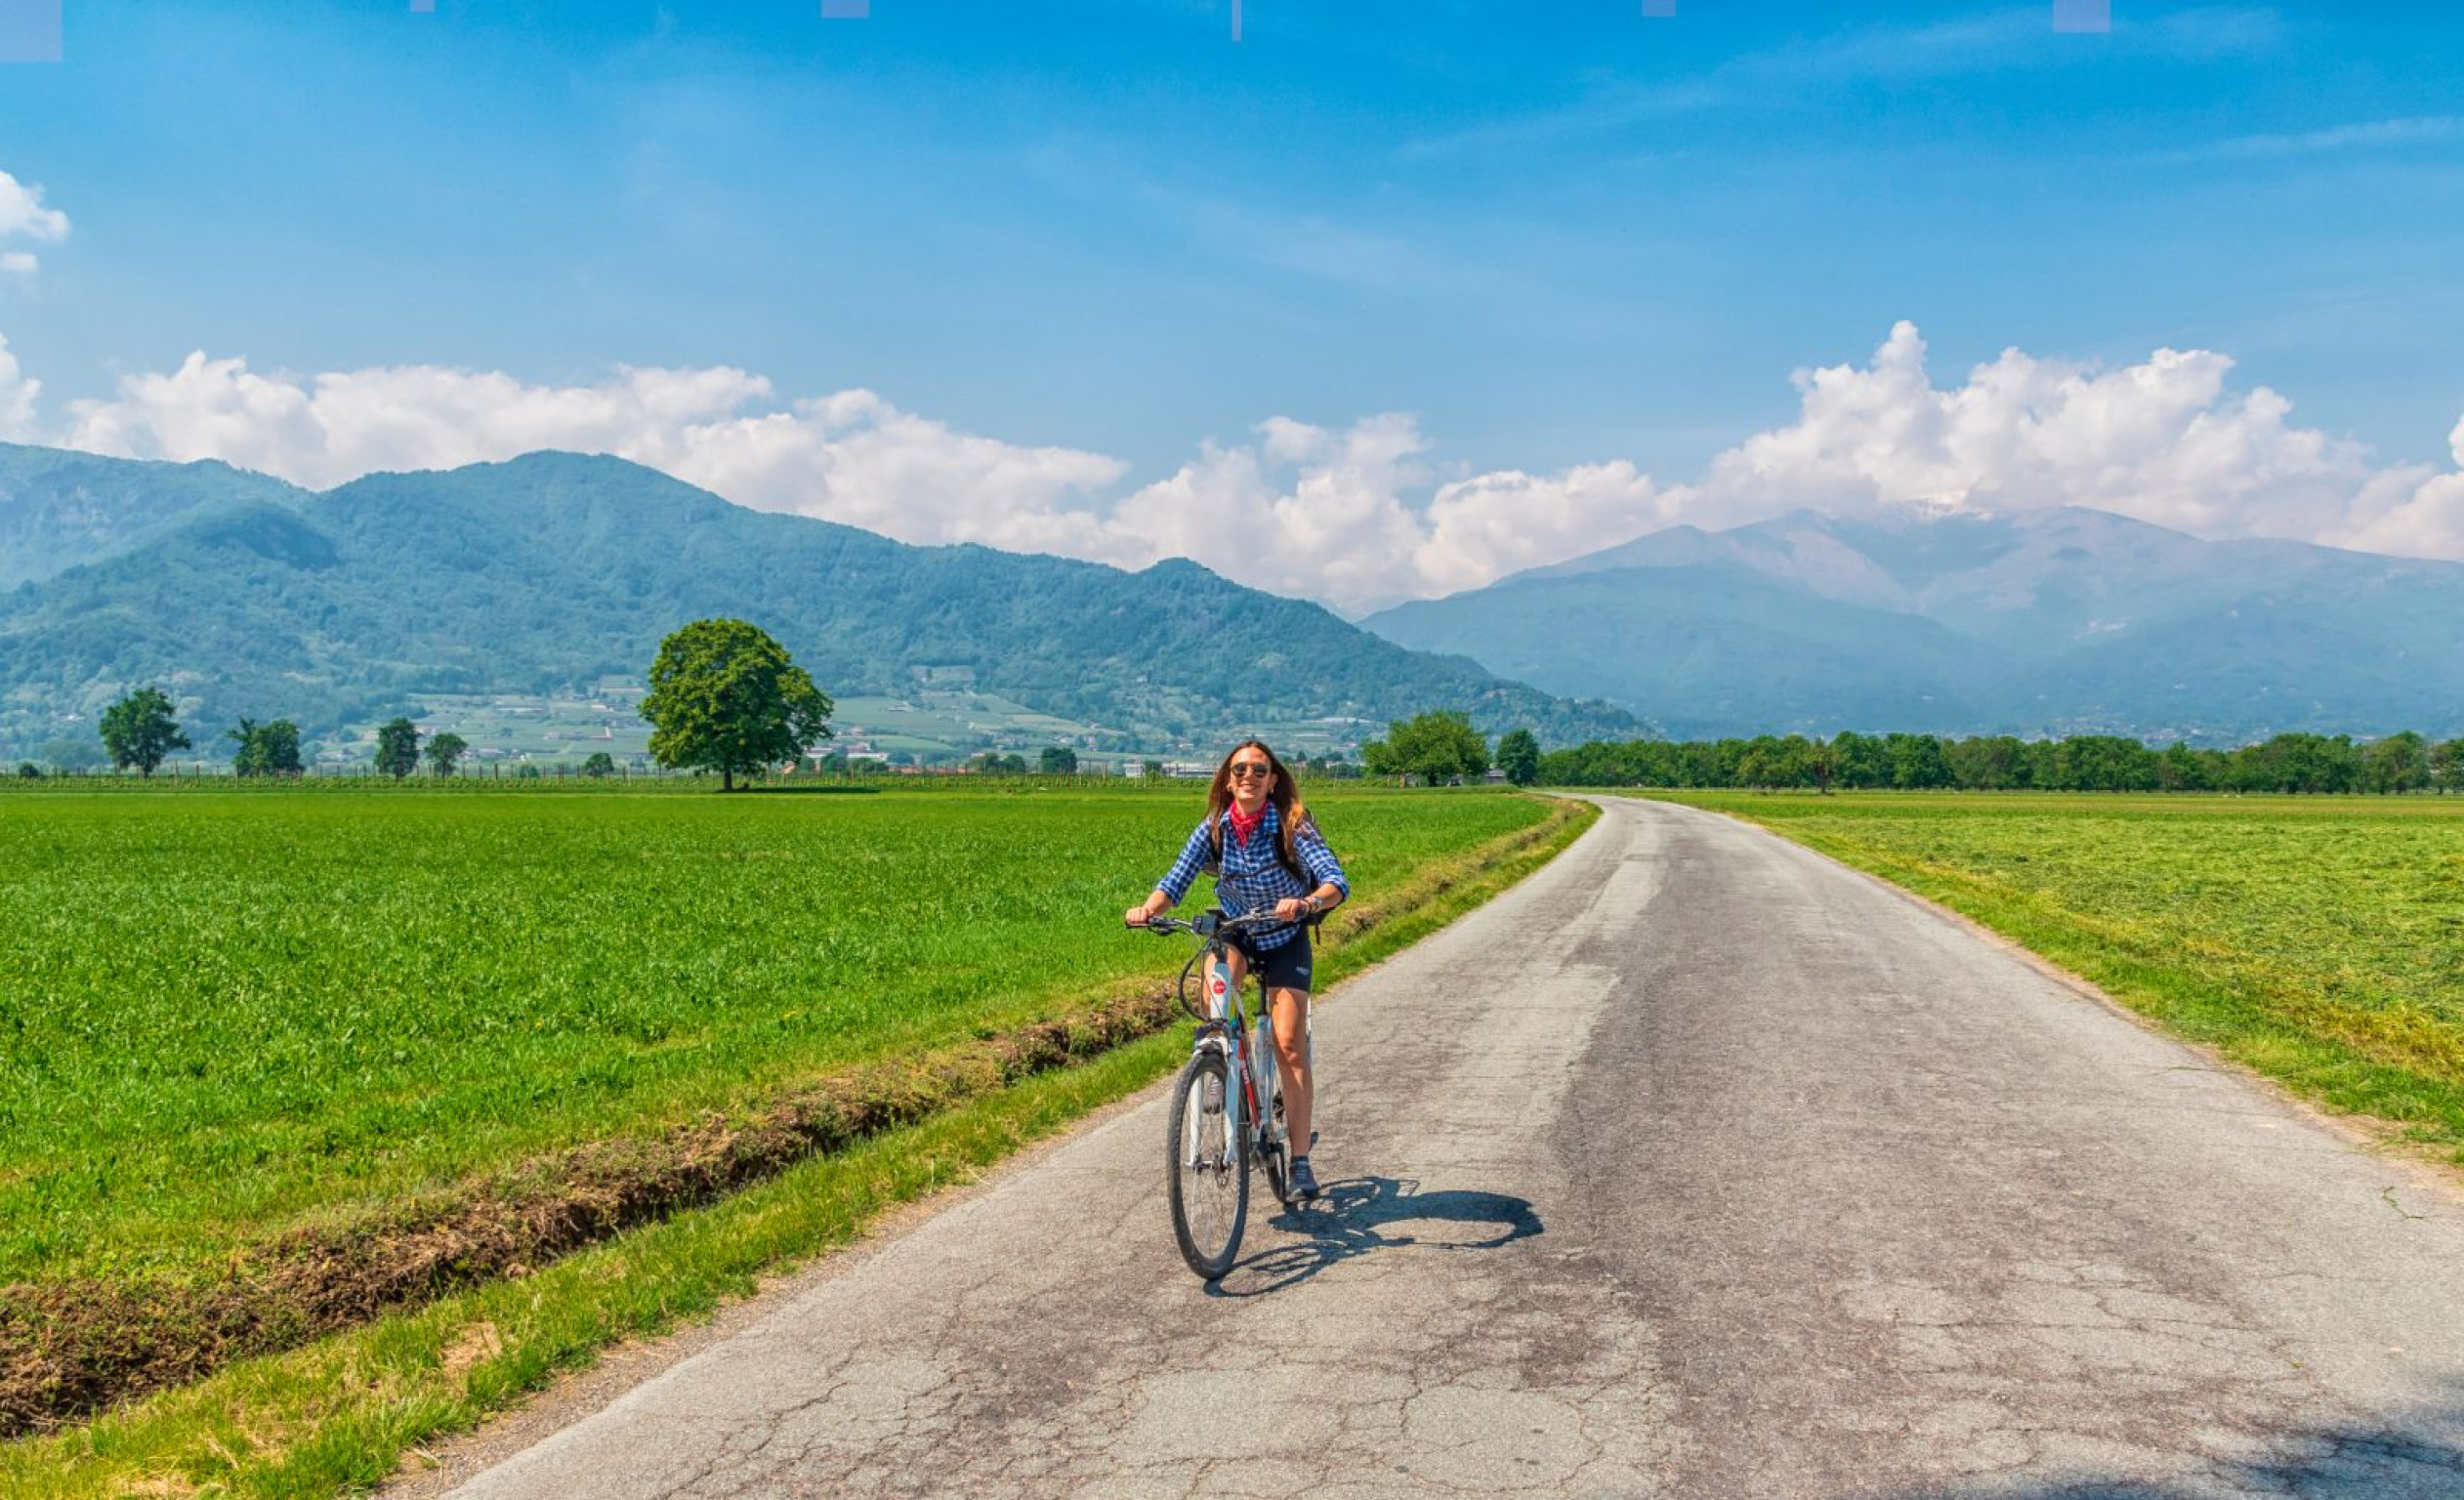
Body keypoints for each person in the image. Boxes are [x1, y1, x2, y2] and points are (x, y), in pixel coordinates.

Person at [1126, 739, 1349, 1200]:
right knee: (1216, 987)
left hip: (1285, 936)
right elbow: (1176, 880)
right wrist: (1149, 908)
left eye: (1259, 770)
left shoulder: (1291, 824)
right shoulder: (1214, 829)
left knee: (1288, 1044)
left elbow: (1336, 881)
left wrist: (1306, 903)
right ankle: (1222, 1059)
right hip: (1240, 931)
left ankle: (1301, 1160)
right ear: (1228, 781)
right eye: (1240, 769)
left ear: (1272, 781)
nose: (1249, 775)